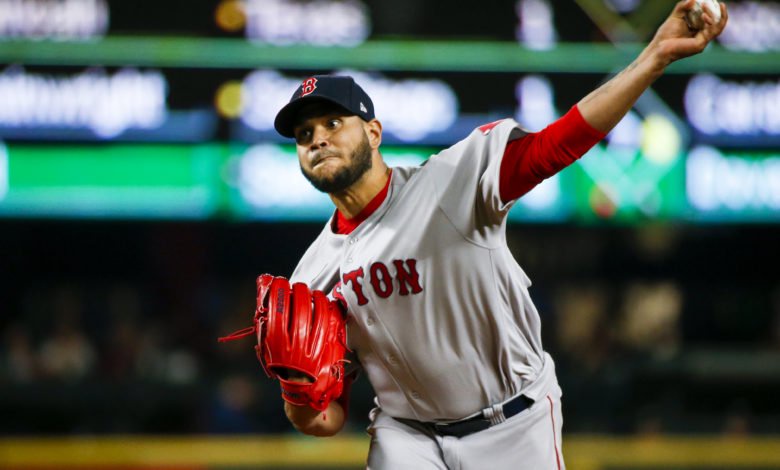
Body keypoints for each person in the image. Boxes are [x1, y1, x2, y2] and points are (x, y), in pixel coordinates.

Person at [271, 2, 727, 468]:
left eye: (333, 123)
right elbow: (325, 419)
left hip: (512, 421)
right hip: (407, 434)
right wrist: (297, 392)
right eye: (304, 134)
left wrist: (654, 57)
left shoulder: (451, 182)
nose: (318, 139)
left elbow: (558, 143)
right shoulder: (311, 276)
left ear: (373, 132)